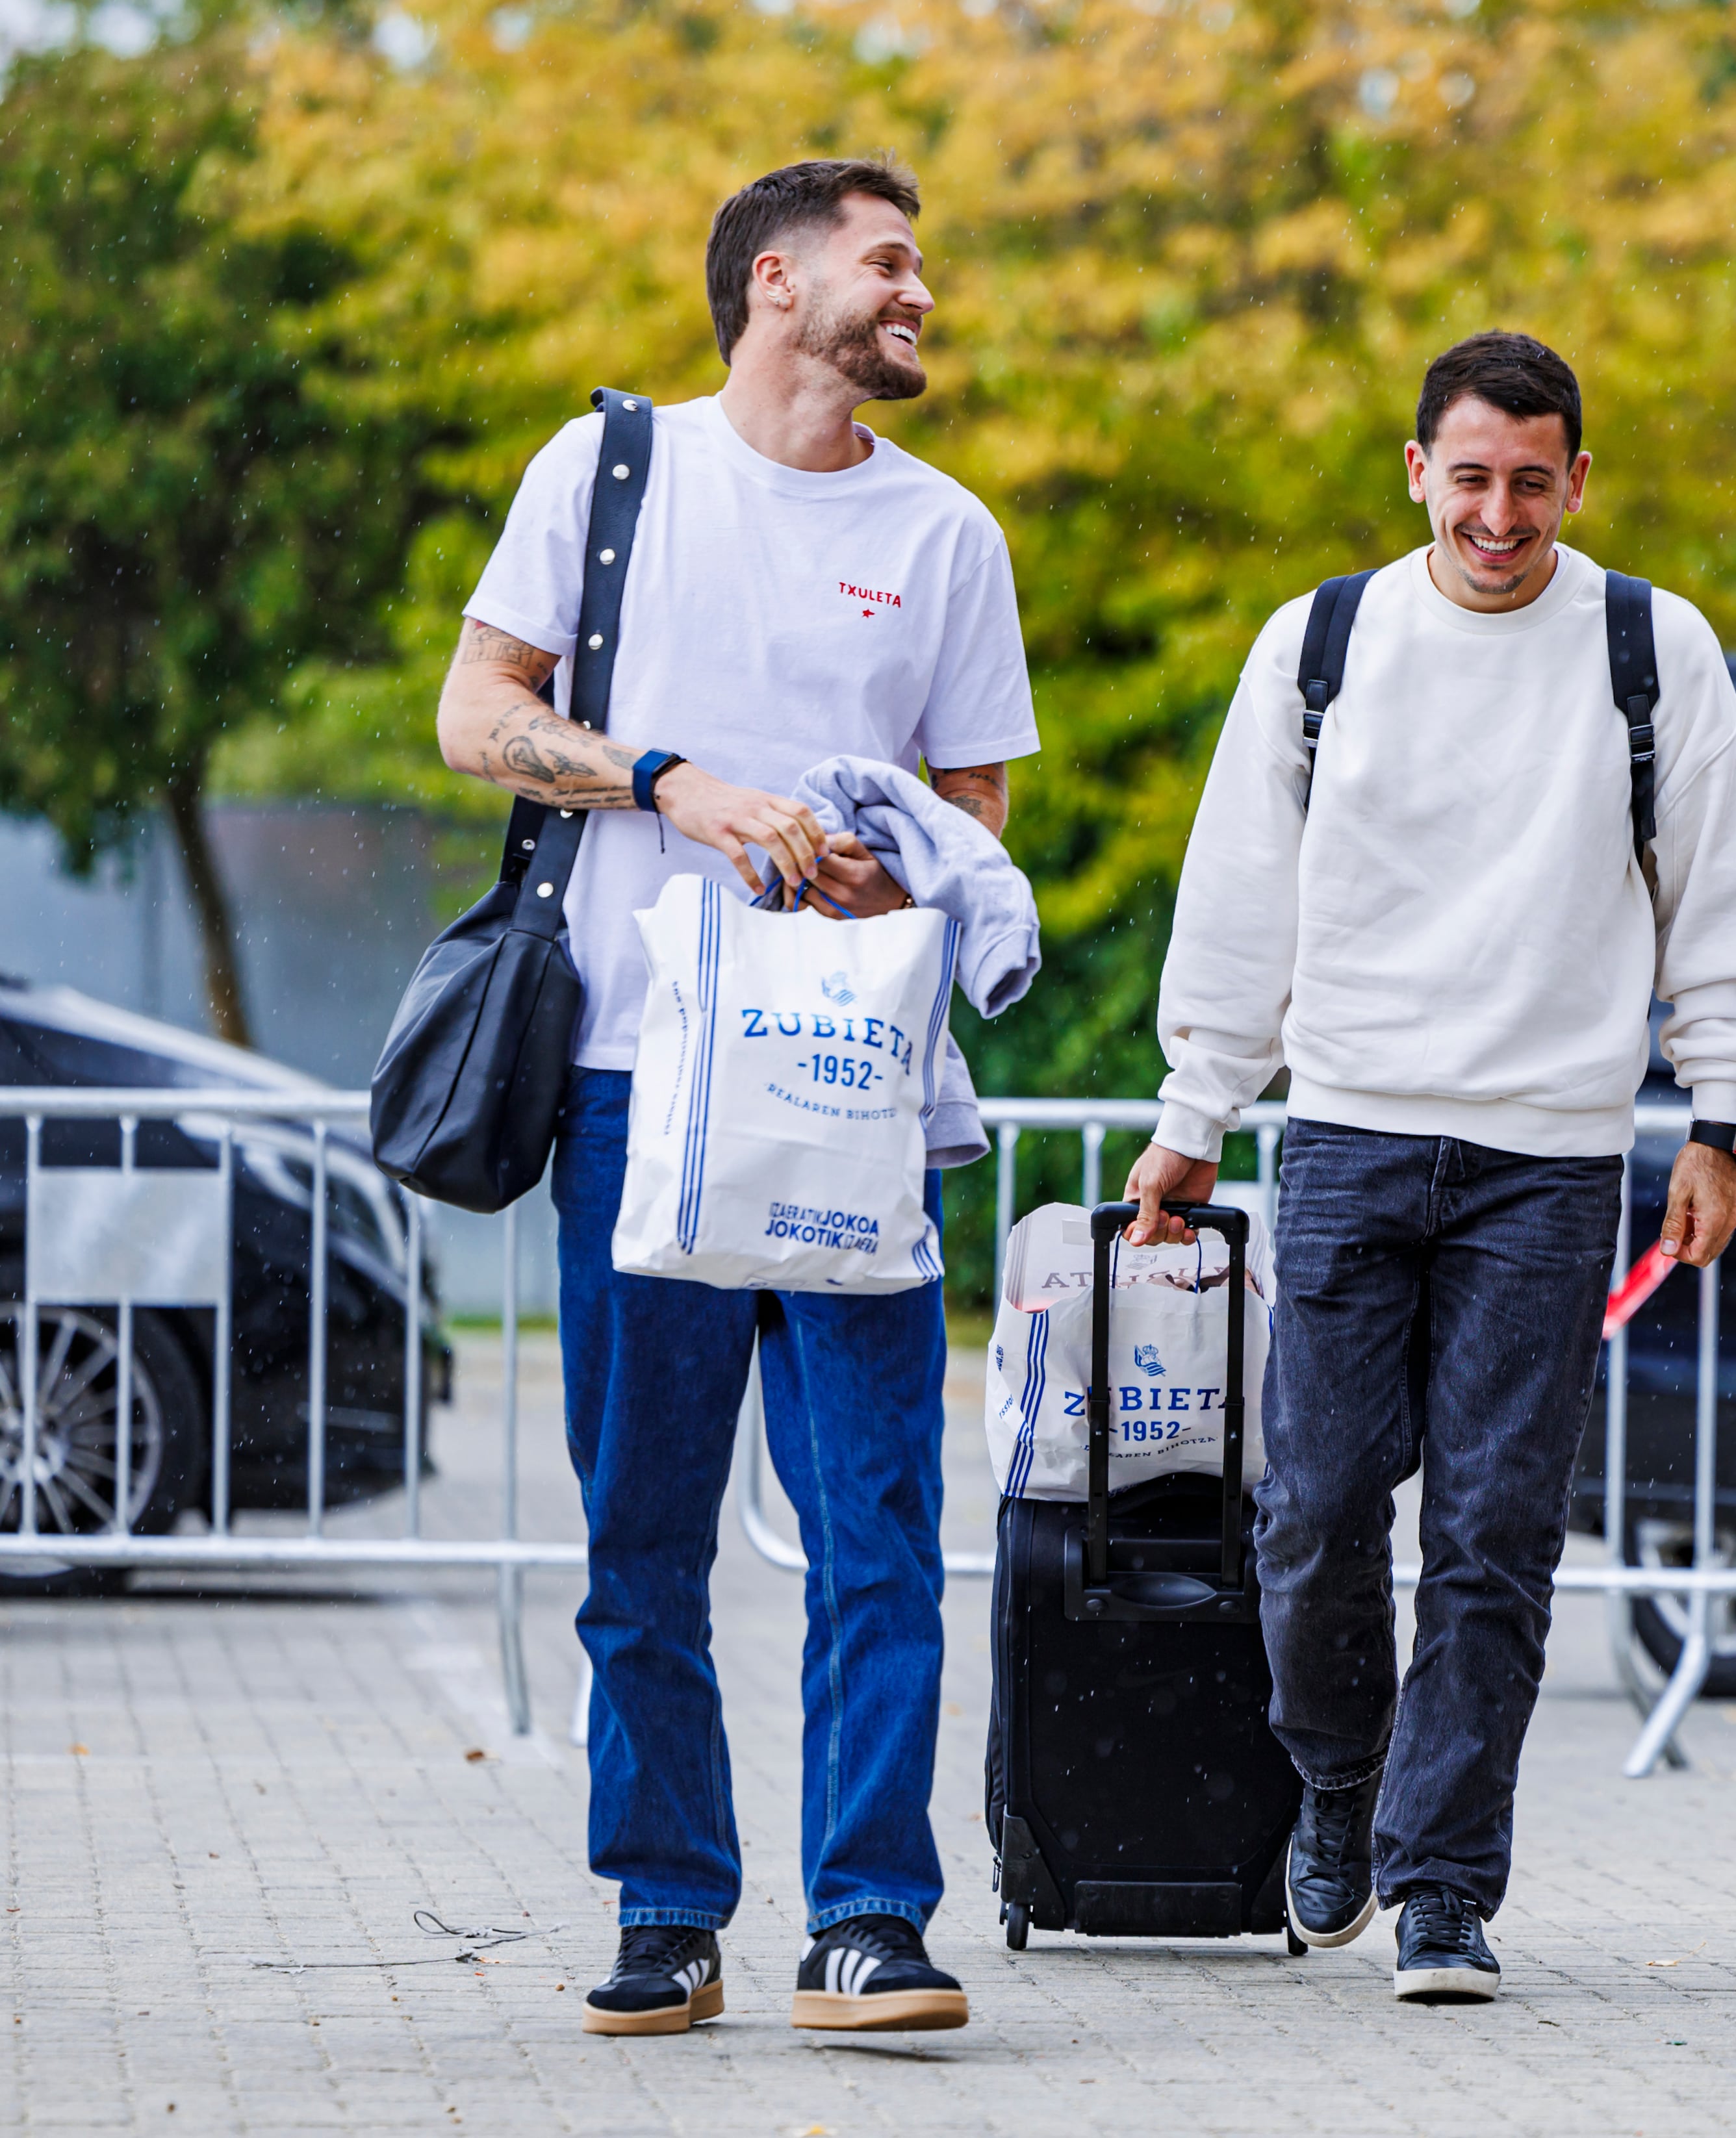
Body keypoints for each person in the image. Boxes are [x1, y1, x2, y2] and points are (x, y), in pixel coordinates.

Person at [1122, 331, 1736, 2004]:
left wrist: (1715, 1114)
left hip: (1551, 1158)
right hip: (1350, 1133)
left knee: (1495, 1536)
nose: (1499, 513)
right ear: (1417, 471)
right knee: (1319, 1513)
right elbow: (1240, 887)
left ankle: (1443, 1884)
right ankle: (1341, 1785)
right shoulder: (1328, 640)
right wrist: (1194, 1110)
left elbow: (1724, 893)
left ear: (1577, 480)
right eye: (1471, 476)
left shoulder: (1653, 646)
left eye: (1533, 480)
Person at [435, 157, 1040, 2038]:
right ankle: (668, 1904)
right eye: (888, 261)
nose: (917, 291)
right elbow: (474, 715)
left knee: (876, 1523)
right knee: (643, 1535)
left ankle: (868, 1914)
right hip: (636, 1089)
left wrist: (891, 875)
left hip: (858, 1092)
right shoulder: (609, 473)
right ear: (776, 284)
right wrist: (674, 784)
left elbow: (978, 809)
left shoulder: (949, 535)